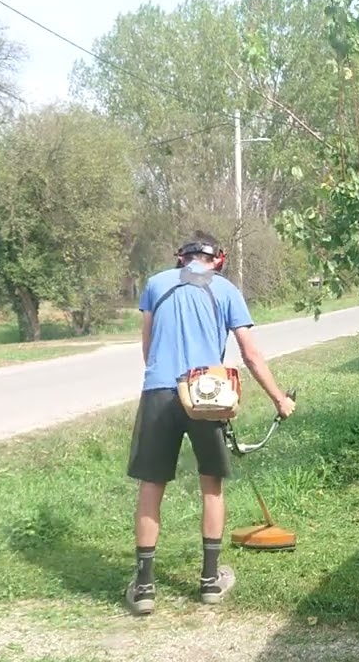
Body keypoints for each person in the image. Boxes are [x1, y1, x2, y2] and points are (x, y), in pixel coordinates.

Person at [124, 231, 296, 616]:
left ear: (180, 257)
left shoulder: (156, 284)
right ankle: (209, 582)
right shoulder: (226, 290)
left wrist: (165, 379)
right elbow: (250, 354)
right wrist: (280, 400)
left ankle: (145, 587)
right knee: (211, 486)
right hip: (207, 393)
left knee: (151, 486)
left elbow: (148, 347)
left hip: (159, 390)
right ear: (218, 258)